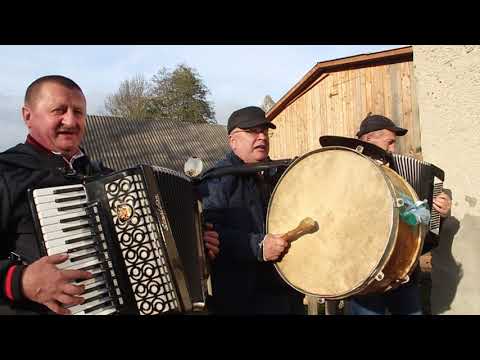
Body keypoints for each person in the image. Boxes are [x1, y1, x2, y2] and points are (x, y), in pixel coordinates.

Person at [199, 106, 304, 314]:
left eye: (264, 131)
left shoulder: (280, 174)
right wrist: (257, 246)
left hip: (287, 289)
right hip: (243, 297)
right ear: (233, 141)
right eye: (252, 131)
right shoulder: (217, 179)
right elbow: (208, 235)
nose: (261, 137)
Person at [345, 114, 451, 315]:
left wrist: (437, 213)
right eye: (390, 142)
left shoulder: (399, 170)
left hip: (403, 270)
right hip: (364, 272)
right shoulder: (348, 169)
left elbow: (413, 216)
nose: (393, 149)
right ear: (368, 140)